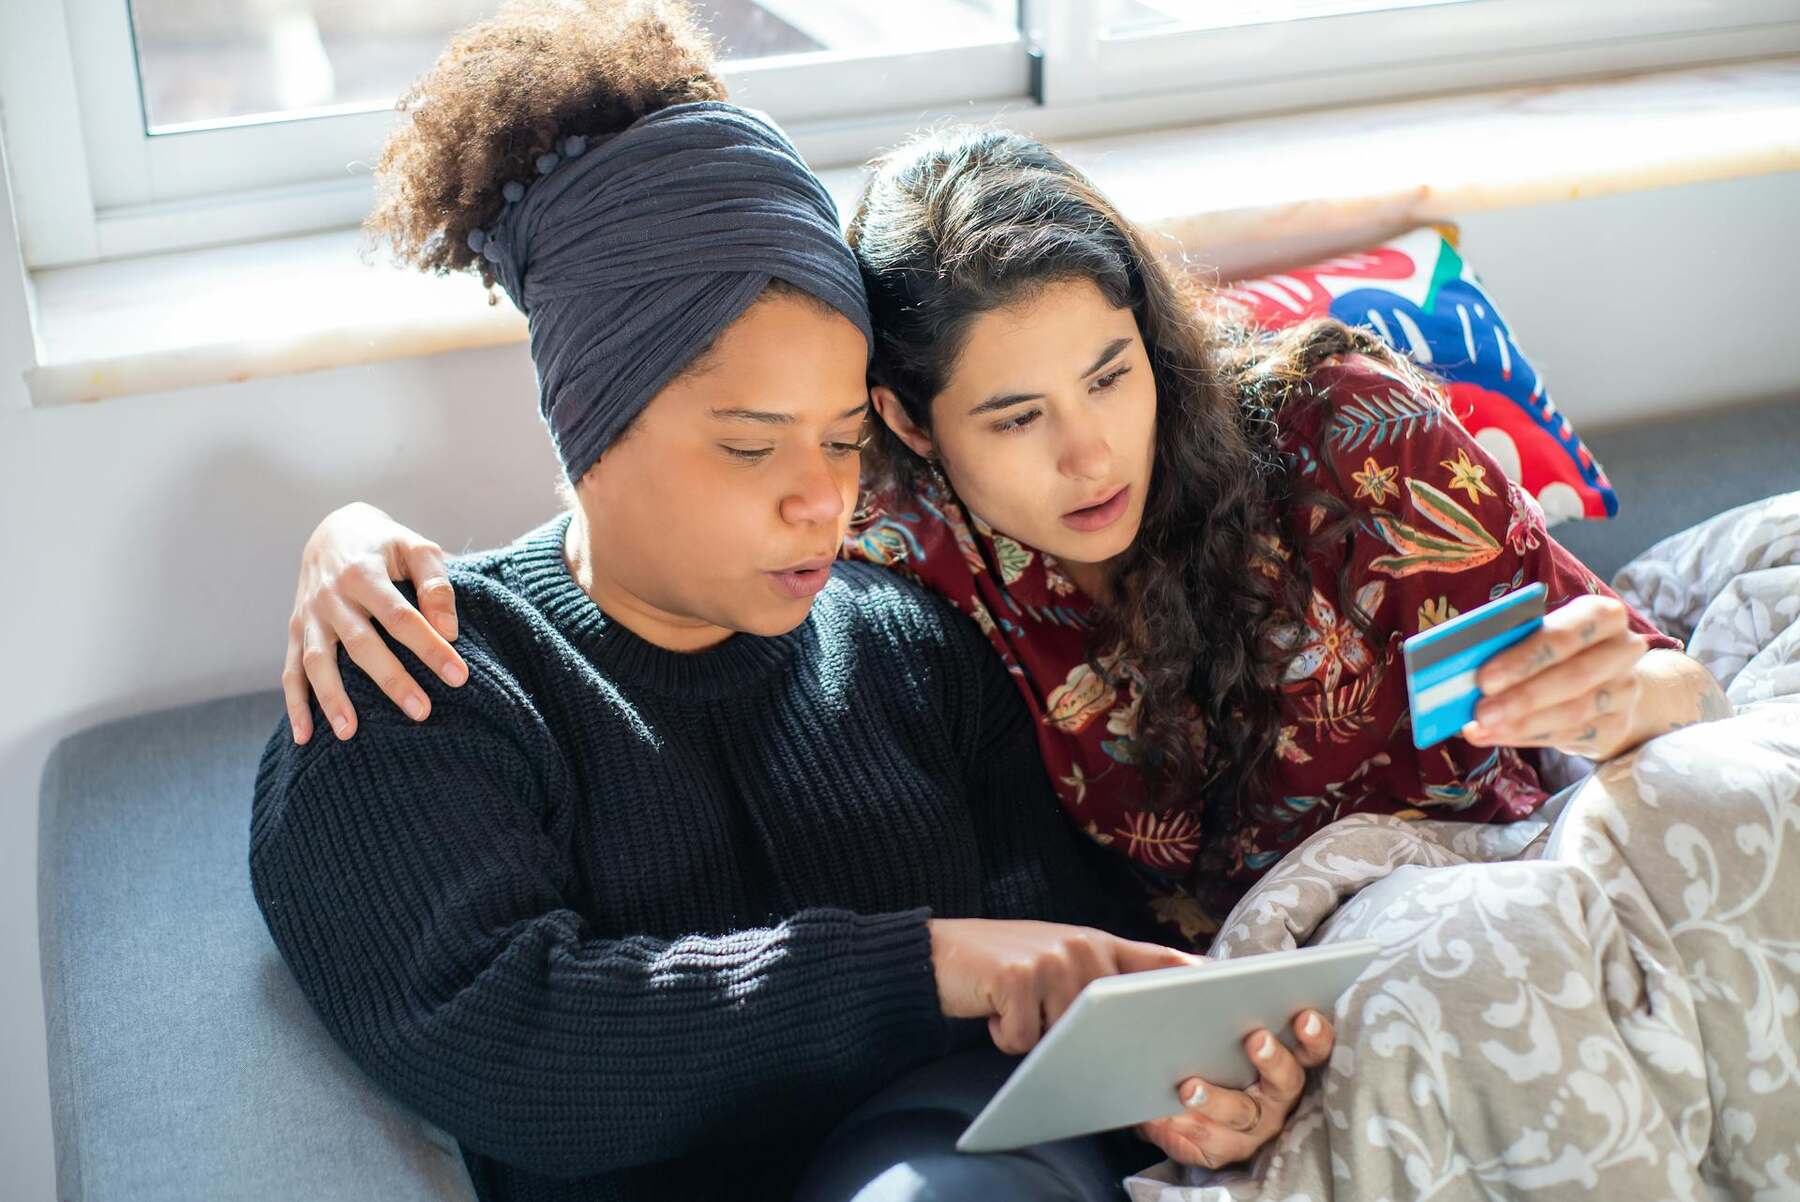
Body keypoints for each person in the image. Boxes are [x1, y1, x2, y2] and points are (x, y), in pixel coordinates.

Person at [249, 5, 1336, 1202]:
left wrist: (1190, 1091)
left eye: (842, 438)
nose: (820, 500)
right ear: (589, 426)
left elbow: (1070, 1008)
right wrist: (926, 968)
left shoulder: (914, 652)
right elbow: (519, 1044)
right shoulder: (421, 678)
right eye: (751, 447)